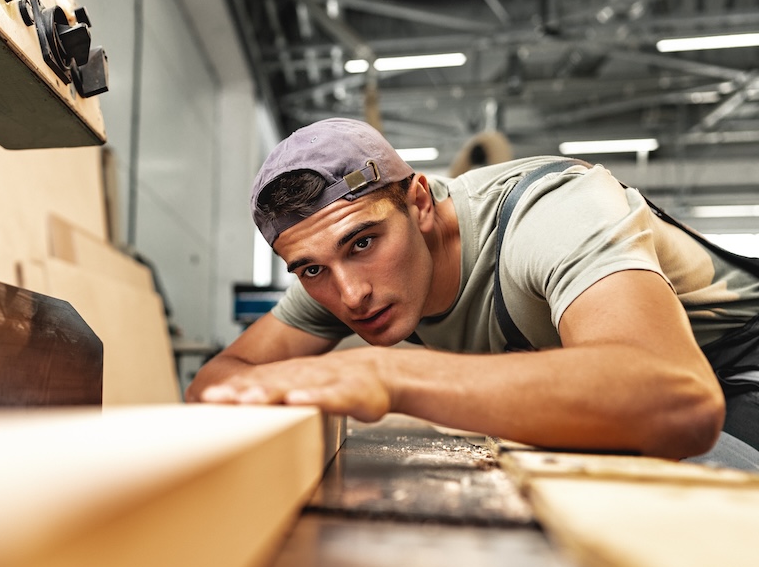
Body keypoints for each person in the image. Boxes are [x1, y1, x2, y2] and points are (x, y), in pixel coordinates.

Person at [186, 118, 759, 468]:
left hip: (734, 374)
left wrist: (387, 377)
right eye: (309, 269)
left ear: (418, 202)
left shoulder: (551, 213)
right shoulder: (335, 270)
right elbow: (217, 379)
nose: (351, 295)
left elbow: (679, 400)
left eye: (363, 243)